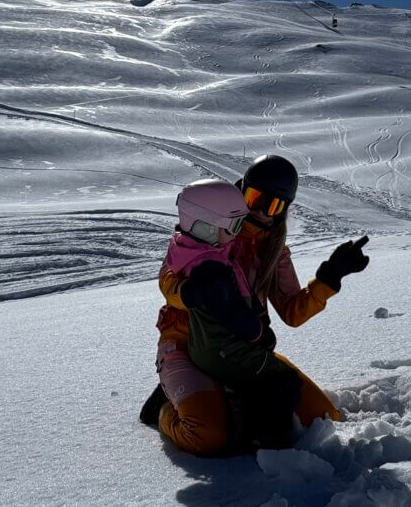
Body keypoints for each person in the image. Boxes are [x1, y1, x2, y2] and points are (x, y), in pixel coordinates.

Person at [141, 154, 371, 456]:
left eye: (273, 206)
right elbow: (168, 278)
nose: (261, 211)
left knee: (323, 418)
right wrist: (191, 292)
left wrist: (329, 278)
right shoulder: (214, 226)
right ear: (241, 192)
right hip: (185, 344)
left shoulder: (273, 251)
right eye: (254, 198)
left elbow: (292, 311)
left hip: (241, 348)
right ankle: (164, 407)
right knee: (207, 436)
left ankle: (222, 397)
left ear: (283, 210)